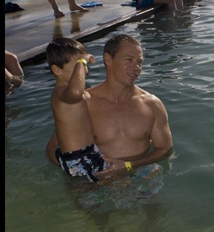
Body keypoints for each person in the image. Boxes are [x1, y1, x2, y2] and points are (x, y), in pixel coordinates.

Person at [46, 34, 174, 180]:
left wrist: (130, 165)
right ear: (108, 59)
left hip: (140, 177)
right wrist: (80, 180)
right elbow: (52, 151)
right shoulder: (85, 102)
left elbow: (165, 149)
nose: (136, 67)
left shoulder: (152, 104)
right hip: (98, 184)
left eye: (140, 62)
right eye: (129, 60)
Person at [46, 38, 109, 183]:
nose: (84, 69)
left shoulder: (63, 94)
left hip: (78, 155)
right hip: (80, 157)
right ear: (57, 70)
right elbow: (75, 92)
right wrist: (81, 62)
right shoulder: (62, 93)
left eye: (85, 65)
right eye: (78, 66)